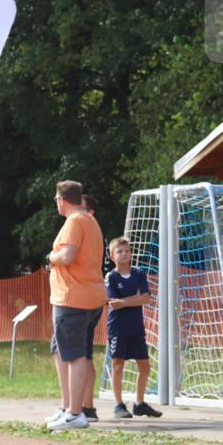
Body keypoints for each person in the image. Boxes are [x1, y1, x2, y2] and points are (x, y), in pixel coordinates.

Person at [44, 181, 107, 431]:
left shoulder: (73, 221)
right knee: (62, 351)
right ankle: (67, 408)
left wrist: (50, 257)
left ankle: (76, 413)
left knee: (75, 356)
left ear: (62, 199)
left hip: (73, 297)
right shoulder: (90, 220)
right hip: (88, 296)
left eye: (56, 200)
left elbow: (67, 256)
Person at [105, 237, 163, 419]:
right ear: (112, 255)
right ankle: (118, 405)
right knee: (118, 366)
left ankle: (139, 403)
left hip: (136, 327)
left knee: (145, 366)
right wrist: (133, 300)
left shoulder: (139, 273)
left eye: (127, 251)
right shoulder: (111, 276)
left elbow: (146, 298)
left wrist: (125, 301)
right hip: (118, 327)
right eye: (119, 251)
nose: (124, 254)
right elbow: (113, 304)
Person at [79, 194, 101, 422]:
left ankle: (83, 407)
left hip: (83, 300)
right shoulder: (89, 230)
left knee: (80, 356)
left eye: (81, 209)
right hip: (89, 297)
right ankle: (86, 406)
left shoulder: (87, 229)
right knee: (84, 356)